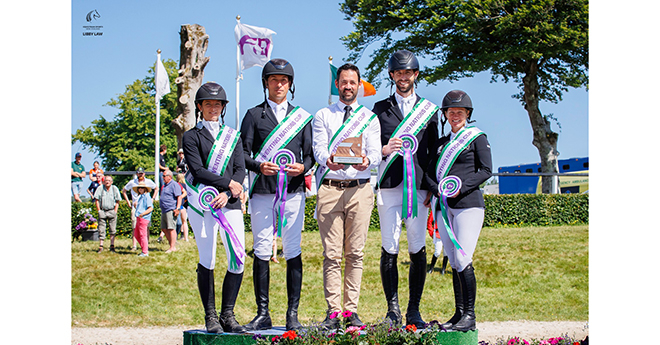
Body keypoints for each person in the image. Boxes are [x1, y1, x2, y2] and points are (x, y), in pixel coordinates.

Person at [240, 58, 314, 331]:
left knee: (293, 250)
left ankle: (292, 314)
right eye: (274, 80)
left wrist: (303, 167)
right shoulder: (252, 115)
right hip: (262, 191)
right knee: (261, 250)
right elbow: (242, 153)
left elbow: (310, 155)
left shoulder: (302, 117)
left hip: (293, 191)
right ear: (266, 83)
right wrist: (259, 166)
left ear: (290, 85)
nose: (279, 84)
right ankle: (263, 313)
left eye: (283, 81)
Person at [371, 50, 439, 328]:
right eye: (398, 73)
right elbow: (372, 145)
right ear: (392, 75)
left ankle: (414, 310)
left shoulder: (430, 111)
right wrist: (384, 150)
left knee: (416, 246)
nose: (403, 77)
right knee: (389, 245)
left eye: (407, 73)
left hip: (418, 189)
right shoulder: (379, 109)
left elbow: (434, 152)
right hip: (389, 185)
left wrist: (432, 188)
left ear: (416, 75)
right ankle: (392, 310)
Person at [312, 63, 381, 329]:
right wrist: (327, 159)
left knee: (355, 253)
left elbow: (375, 152)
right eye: (344, 82)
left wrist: (368, 160)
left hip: (360, 189)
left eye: (353, 82)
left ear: (359, 85)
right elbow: (319, 147)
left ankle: (351, 311)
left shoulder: (369, 118)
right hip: (330, 188)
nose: (348, 87)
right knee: (331, 254)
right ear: (337, 84)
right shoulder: (323, 115)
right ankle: (333, 312)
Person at [182, 81, 247, 333]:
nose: (213, 108)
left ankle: (228, 314)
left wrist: (228, 189)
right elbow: (197, 170)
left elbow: (240, 169)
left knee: (238, 257)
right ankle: (210, 316)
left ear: (223, 107)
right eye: (208, 104)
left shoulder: (234, 136)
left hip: (228, 202)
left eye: (217, 104)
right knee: (207, 258)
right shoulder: (191, 136)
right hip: (203, 203)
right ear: (200, 106)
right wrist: (227, 184)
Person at [427, 90, 492, 332]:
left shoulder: (477, 138)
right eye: (451, 112)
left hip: (469, 205)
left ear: (467, 114)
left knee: (464, 257)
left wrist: (461, 187)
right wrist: (438, 191)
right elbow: (428, 175)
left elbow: (486, 170)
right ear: (445, 114)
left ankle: (471, 316)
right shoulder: (441, 144)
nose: (455, 115)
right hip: (444, 207)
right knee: (453, 260)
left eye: (460, 112)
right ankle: (458, 313)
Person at [122, 167, 157, 251]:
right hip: (136, 207)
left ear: (144, 174)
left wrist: (153, 198)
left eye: (141, 173)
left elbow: (156, 188)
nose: (140, 175)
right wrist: (128, 202)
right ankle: (134, 245)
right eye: (138, 173)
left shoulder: (148, 182)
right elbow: (124, 190)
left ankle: (145, 245)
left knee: (146, 227)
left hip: (145, 207)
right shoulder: (132, 182)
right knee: (135, 227)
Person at [94, 175, 122, 253]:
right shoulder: (100, 188)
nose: (107, 182)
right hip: (103, 210)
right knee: (101, 229)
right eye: (106, 180)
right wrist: (99, 210)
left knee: (112, 229)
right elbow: (96, 200)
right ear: (104, 181)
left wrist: (115, 211)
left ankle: (112, 246)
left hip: (111, 210)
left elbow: (117, 201)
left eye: (109, 180)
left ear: (112, 182)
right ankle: (101, 246)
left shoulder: (114, 189)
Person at [159, 168, 182, 253]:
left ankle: (172, 247)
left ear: (170, 176)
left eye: (164, 176)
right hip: (164, 210)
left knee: (171, 228)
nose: (163, 177)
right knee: (164, 228)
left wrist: (177, 208)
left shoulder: (174, 185)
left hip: (171, 209)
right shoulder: (164, 185)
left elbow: (179, 196)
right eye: (163, 176)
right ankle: (172, 244)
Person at [132, 182, 153, 257]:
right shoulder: (141, 196)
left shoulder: (147, 196)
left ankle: (145, 251)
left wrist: (143, 214)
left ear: (145, 189)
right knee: (137, 235)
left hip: (143, 218)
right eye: (139, 188)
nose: (140, 189)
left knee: (142, 235)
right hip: (139, 217)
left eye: (142, 188)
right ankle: (144, 249)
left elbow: (150, 208)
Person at [176, 173, 190, 242]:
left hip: (176, 205)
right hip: (183, 205)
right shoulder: (186, 186)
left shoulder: (176, 185)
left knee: (176, 222)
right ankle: (185, 237)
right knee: (184, 222)